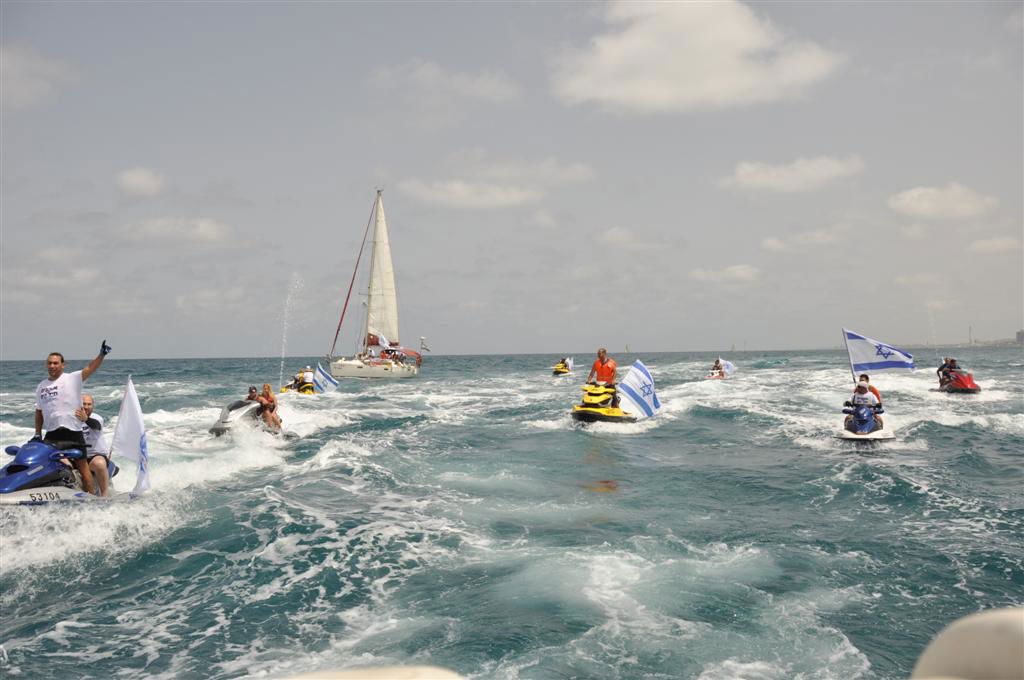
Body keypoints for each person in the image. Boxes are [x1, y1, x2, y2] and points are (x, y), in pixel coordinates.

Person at [34, 341, 112, 495]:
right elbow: (39, 411)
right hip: (52, 434)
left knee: (83, 468)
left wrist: (101, 354)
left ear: (63, 365)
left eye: (56, 363)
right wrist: (37, 433)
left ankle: (90, 497)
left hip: (72, 432)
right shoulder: (41, 386)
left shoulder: (72, 378)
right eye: (49, 363)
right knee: (47, 465)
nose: (52, 366)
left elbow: (91, 368)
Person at [77, 394, 112, 497]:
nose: (87, 407)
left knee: (99, 464)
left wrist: (85, 419)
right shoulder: (71, 418)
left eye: (89, 404)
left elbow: (96, 425)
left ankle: (105, 495)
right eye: (84, 404)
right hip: (76, 455)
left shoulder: (97, 418)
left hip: (93, 456)